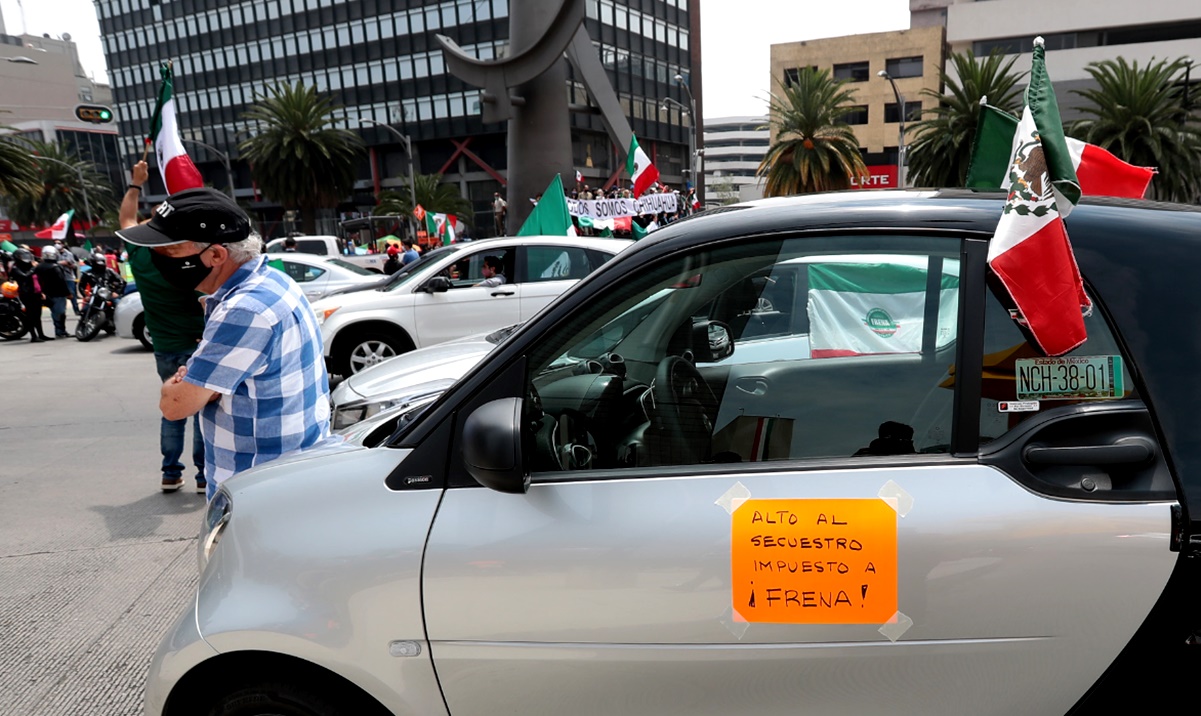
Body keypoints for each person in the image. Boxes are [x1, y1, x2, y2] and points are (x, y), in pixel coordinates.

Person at [117, 186, 333, 501]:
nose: (156, 259)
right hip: (288, 473)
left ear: (216, 255)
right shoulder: (275, 281)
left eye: (168, 251)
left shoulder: (243, 311)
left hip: (258, 490)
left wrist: (177, 384)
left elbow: (176, 405)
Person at [120, 160, 208, 494]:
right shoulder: (185, 262)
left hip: (165, 349)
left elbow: (127, 220)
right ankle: (203, 476)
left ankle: (170, 472)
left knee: (172, 409)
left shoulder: (140, 256)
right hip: (196, 344)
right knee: (201, 412)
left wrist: (136, 183)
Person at [9, 248, 50, 342]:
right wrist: (33, 268)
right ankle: (34, 336)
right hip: (26, 294)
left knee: (38, 315)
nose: (26, 258)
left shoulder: (30, 266)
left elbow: (37, 280)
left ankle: (41, 334)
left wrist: (41, 292)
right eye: (22, 256)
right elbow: (25, 276)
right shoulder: (16, 268)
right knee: (30, 316)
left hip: (36, 293)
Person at [35, 246, 71, 338]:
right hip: (58, 294)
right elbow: (61, 281)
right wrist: (68, 293)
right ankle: (60, 331)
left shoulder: (38, 267)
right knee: (60, 313)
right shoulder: (56, 267)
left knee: (55, 313)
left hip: (45, 294)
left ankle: (60, 330)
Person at [54, 239, 80, 315]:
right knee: (60, 295)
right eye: (55, 243)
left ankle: (76, 310)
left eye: (58, 243)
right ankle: (61, 311)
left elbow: (74, 266)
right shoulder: (54, 254)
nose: (57, 245)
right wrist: (61, 263)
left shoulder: (69, 254)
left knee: (72, 294)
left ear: (62, 244)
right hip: (58, 278)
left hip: (68, 277)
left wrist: (68, 264)